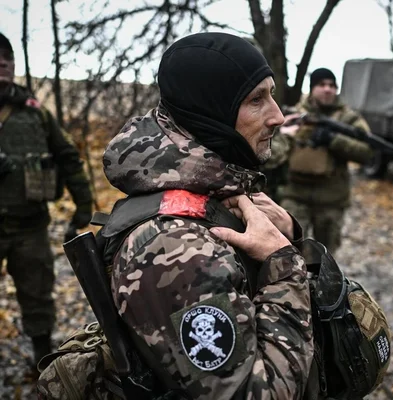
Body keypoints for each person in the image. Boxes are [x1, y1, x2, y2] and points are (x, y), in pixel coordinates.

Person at [99, 33, 313, 398]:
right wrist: (284, 264)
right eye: (256, 100)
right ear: (209, 110)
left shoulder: (218, 189)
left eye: (271, 94)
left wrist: (289, 232)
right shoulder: (170, 245)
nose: (277, 116)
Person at [0, 33, 93, 366]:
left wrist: (84, 205)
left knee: (38, 293)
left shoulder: (35, 113)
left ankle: (42, 359)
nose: (1, 65)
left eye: (6, 60)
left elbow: (67, 155)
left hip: (30, 224)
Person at [280, 68, 374, 255]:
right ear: (312, 88)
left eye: (332, 85)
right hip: (294, 195)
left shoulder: (349, 118)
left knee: (326, 258)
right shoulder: (295, 115)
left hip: (331, 199)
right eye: (322, 85)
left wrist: (333, 140)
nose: (327, 89)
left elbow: (367, 152)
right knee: (287, 252)